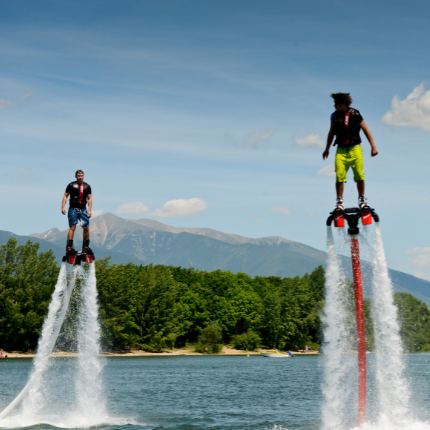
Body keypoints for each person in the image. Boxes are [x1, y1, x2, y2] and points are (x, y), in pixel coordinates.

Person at [322, 93, 378, 211]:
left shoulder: (355, 114)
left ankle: (362, 200)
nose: (334, 105)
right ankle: (339, 203)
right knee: (339, 176)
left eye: (336, 103)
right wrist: (327, 149)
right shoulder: (334, 115)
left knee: (359, 174)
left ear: (343, 103)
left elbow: (366, 130)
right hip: (341, 150)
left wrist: (373, 146)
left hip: (355, 149)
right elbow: (331, 132)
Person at [61, 170, 92, 254]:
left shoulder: (87, 186)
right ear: (76, 176)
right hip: (73, 209)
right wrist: (63, 207)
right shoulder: (71, 185)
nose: (80, 177)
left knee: (86, 227)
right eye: (78, 175)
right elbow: (65, 196)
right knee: (73, 227)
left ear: (84, 176)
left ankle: (86, 246)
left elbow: (89, 198)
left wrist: (89, 210)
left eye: (81, 175)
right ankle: (69, 246)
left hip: (83, 209)